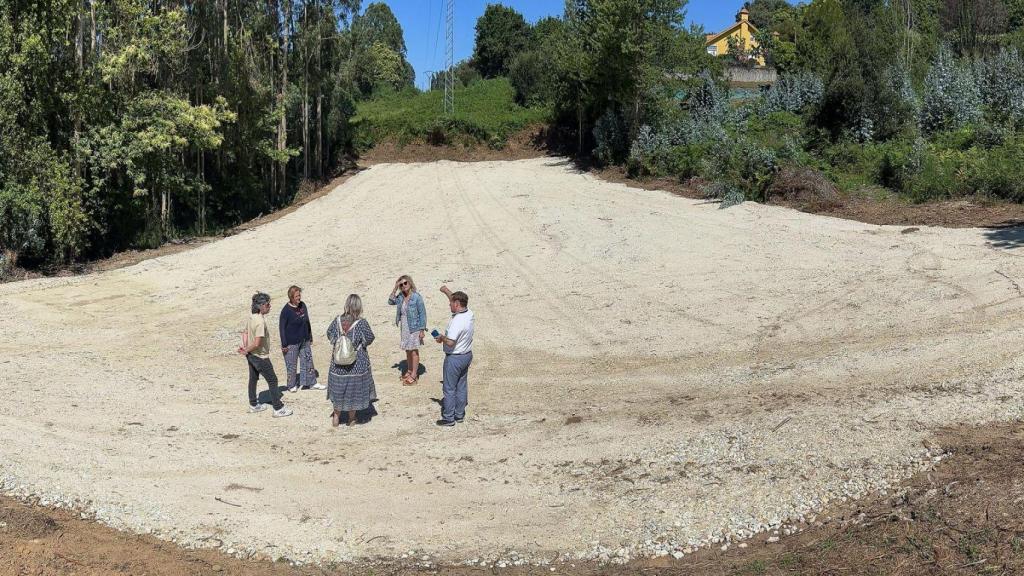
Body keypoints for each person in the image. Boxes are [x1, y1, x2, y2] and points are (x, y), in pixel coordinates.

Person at [238, 292, 292, 418]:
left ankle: (253, 404)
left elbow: (245, 333)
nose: (270, 306)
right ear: (261, 306)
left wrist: (246, 348)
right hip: (260, 356)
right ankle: (278, 408)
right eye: (268, 304)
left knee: (253, 378)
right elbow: (257, 343)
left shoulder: (252, 317)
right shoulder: (260, 322)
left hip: (251, 355)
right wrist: (246, 349)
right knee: (273, 380)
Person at [327, 294, 378, 427]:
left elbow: (329, 334)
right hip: (356, 364)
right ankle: (351, 419)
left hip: (337, 364)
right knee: (353, 391)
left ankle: (336, 418)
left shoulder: (337, 320)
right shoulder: (361, 323)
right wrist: (361, 345)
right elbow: (370, 338)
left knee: (339, 390)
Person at [433, 285, 474, 427]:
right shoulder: (469, 314)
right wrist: (446, 291)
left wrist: (441, 338)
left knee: (449, 388)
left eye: (451, 303)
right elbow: (455, 299)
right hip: (466, 355)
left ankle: (449, 418)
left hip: (454, 358)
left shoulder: (457, 322)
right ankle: (459, 414)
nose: (449, 304)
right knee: (461, 386)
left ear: (456, 304)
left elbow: (450, 342)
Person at [279, 285, 324, 392]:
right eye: (296, 296)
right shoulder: (286, 311)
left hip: (304, 339)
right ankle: (291, 385)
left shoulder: (303, 305)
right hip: (291, 342)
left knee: (308, 361)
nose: (299, 298)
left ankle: (311, 383)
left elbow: (307, 321)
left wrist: (310, 336)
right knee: (291, 365)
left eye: (299, 295)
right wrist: (284, 344)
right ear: (291, 297)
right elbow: (281, 328)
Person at [387, 275, 427, 386]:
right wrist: (395, 288)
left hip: (414, 327)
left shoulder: (417, 297)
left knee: (414, 351)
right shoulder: (400, 297)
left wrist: (422, 330)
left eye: (405, 283)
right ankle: (409, 371)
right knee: (407, 350)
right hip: (404, 327)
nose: (403, 286)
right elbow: (390, 301)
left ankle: (414, 375)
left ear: (410, 283)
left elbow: (422, 314)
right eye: (401, 284)